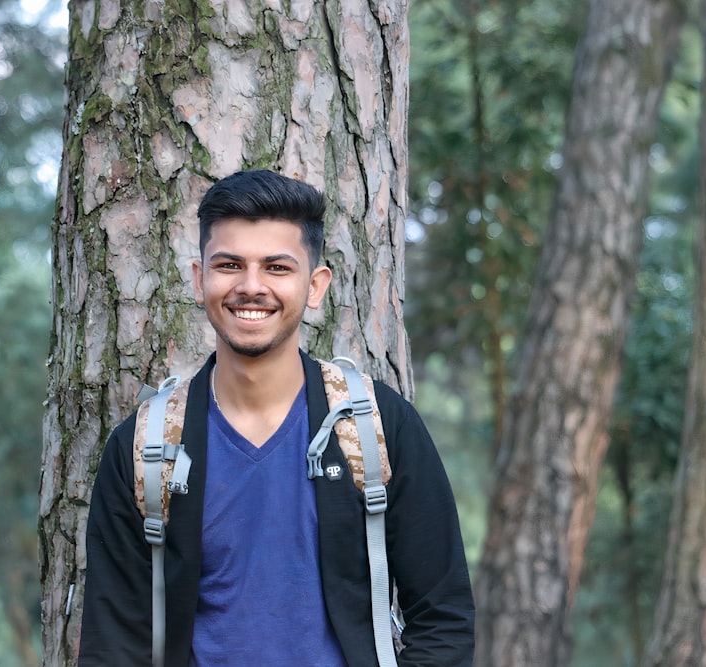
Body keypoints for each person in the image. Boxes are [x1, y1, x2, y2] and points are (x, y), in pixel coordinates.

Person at [78, 170, 475, 666]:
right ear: (201, 279)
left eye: (276, 267)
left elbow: (445, 617)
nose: (251, 286)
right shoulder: (145, 446)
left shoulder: (376, 427)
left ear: (315, 285)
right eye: (229, 264)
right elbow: (111, 645)